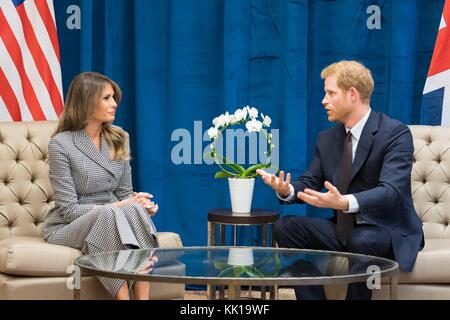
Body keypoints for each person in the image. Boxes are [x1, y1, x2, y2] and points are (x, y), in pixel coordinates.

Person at [257, 60, 424, 300]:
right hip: (345, 229)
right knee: (286, 227)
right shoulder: (326, 139)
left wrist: (344, 202)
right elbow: (310, 182)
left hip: (387, 229)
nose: (324, 100)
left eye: (330, 93)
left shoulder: (395, 134)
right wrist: (287, 190)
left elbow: (390, 192)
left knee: (362, 238)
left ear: (352, 94)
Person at [43, 72, 159, 300]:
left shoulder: (119, 137)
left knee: (130, 209)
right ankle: (123, 297)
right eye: (106, 98)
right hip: (68, 225)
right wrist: (120, 206)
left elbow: (124, 193)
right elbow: (68, 210)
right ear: (86, 101)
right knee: (109, 213)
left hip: (113, 215)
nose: (114, 104)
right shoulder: (61, 144)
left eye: (114, 98)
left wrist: (139, 203)